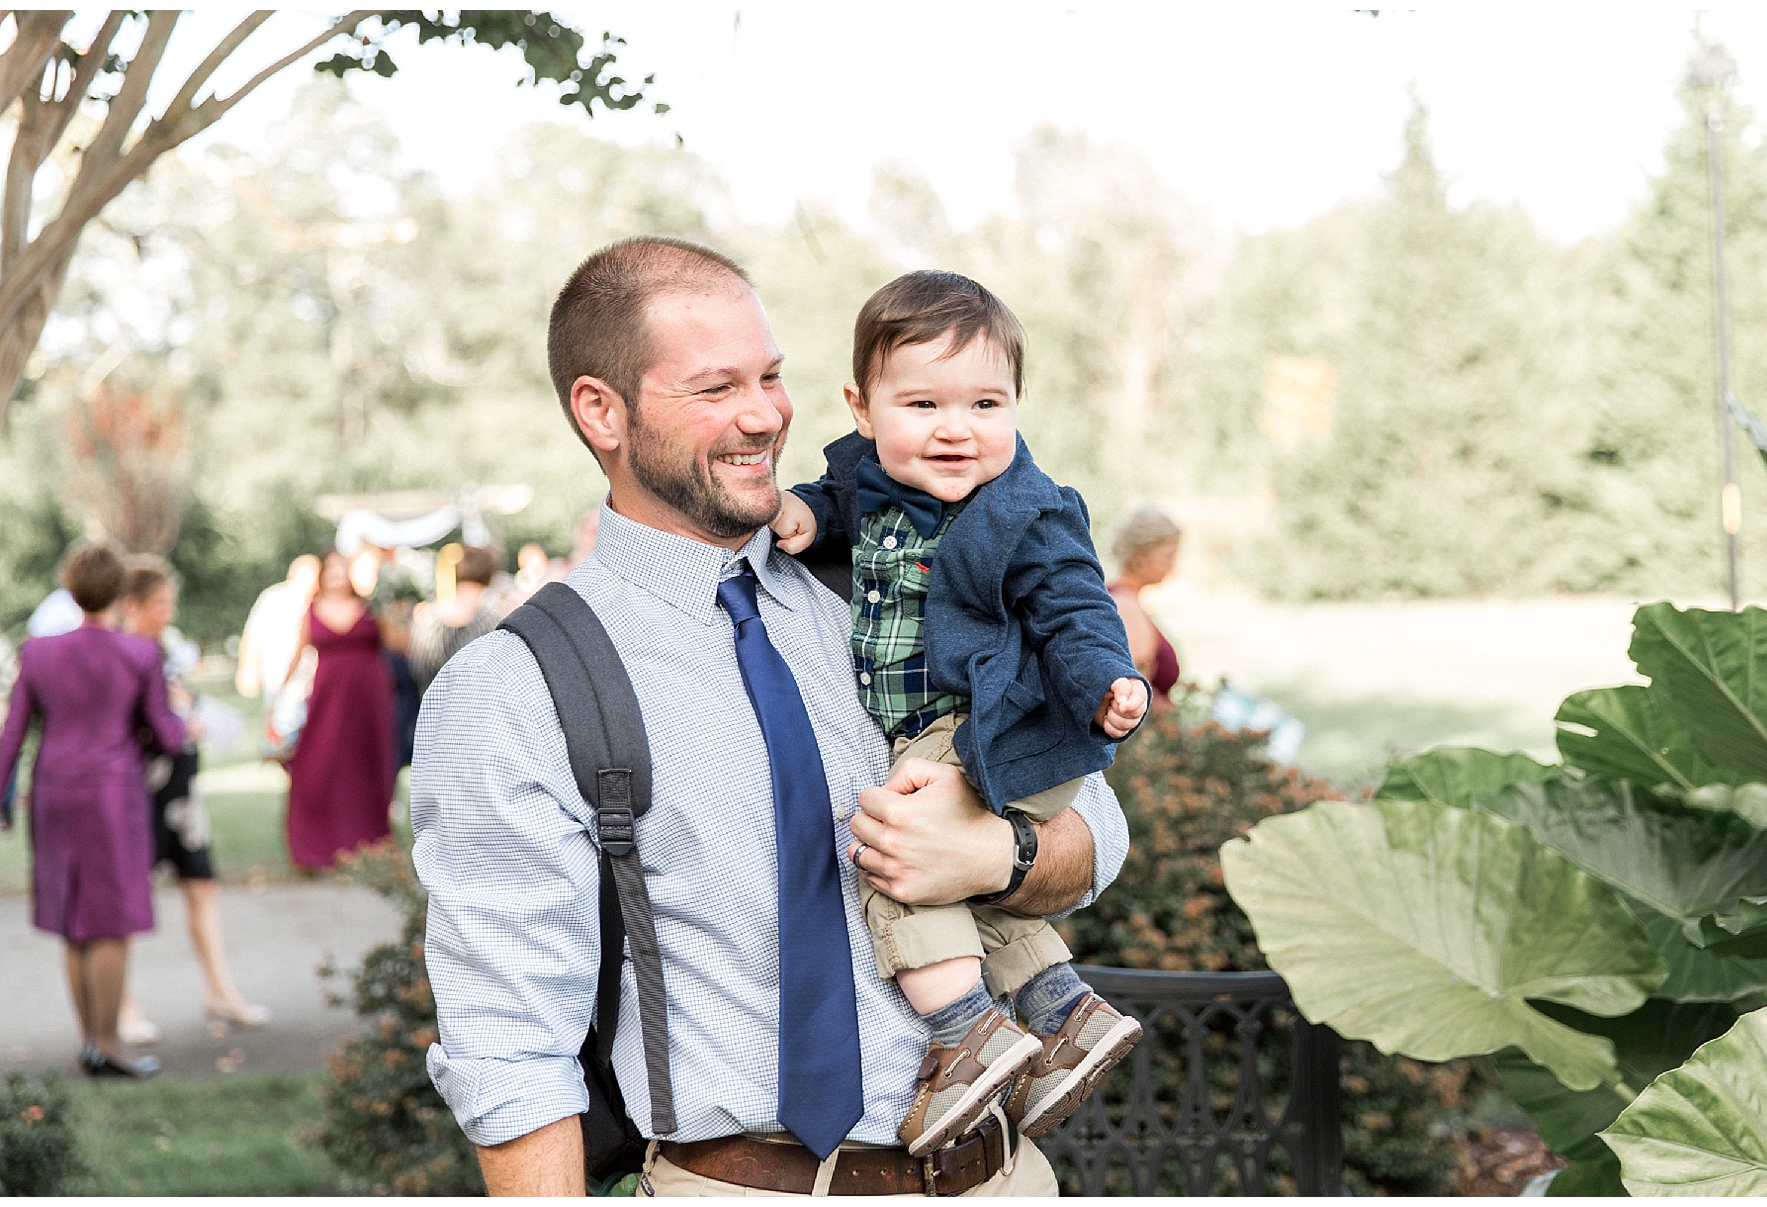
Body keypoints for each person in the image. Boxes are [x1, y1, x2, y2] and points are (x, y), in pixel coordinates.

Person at [413, 236, 1130, 1197]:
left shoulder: (889, 580)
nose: (763, 416)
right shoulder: (519, 683)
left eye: (773, 376)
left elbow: (1102, 825)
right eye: (716, 388)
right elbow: (510, 1040)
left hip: (1004, 1180)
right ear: (602, 410)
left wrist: (999, 855)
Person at [772, 271, 1146, 1156]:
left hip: (995, 720)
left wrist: (1106, 680)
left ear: (1017, 403)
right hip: (943, 726)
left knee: (895, 847)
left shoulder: (1026, 511)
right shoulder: (868, 478)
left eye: (985, 401)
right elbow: (846, 507)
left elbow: (1075, 604)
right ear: (863, 410)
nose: (956, 427)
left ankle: (965, 1032)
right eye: (924, 402)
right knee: (973, 881)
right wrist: (804, 514)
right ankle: (1064, 1015)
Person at [0, 542, 187, 1077]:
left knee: (70, 917)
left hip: (54, 792)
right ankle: (109, 1044)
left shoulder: (36, 652)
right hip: (111, 794)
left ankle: (89, 1042)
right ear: (121, 592)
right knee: (111, 920)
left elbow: (12, 733)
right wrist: (177, 721)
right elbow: (168, 736)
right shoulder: (138, 654)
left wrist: (1, 797)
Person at [116, 557, 271, 1045]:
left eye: (169, 604)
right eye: (158, 604)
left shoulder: (165, 648)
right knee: (128, 896)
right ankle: (123, 1005)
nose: (167, 613)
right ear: (131, 605)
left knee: (202, 885)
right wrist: (176, 723)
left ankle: (220, 991)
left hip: (183, 786)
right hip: (140, 787)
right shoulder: (118, 653)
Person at [281, 548, 398, 871]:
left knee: (367, 767)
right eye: (330, 569)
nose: (337, 575)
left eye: (342, 569)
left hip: (369, 699)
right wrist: (279, 697)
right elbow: (296, 653)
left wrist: (398, 602)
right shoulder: (311, 611)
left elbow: (399, 644)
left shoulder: (372, 608)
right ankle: (317, 844)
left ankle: (369, 842)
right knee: (317, 765)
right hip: (327, 699)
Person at [1105, 506, 1183, 706]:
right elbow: (1133, 691)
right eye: (1167, 557)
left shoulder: (1124, 599)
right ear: (1139, 558)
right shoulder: (1125, 607)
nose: (1172, 566)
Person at [408, 546, 508, 694]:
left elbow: (418, 668)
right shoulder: (494, 611)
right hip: (480, 703)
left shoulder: (428, 615)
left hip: (433, 703)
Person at [234, 554, 321, 708]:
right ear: (291, 577)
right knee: (282, 723)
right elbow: (253, 636)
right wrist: (247, 670)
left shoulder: (322, 602)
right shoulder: (273, 598)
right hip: (278, 677)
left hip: (314, 682)